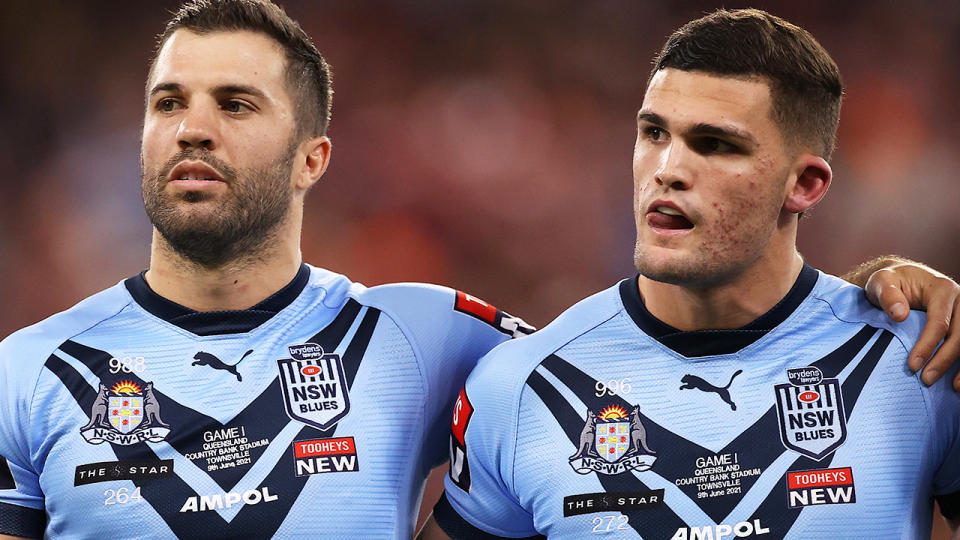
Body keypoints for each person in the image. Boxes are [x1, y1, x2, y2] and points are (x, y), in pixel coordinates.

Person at [0, 2, 954, 539]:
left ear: (313, 158)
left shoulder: (431, 341)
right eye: (168, 99)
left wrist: (893, 283)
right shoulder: (24, 373)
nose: (193, 127)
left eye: (236, 104)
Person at [419, 9, 960, 540]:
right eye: (654, 132)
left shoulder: (922, 362)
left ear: (805, 185)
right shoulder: (520, 385)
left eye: (716, 144)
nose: (667, 169)